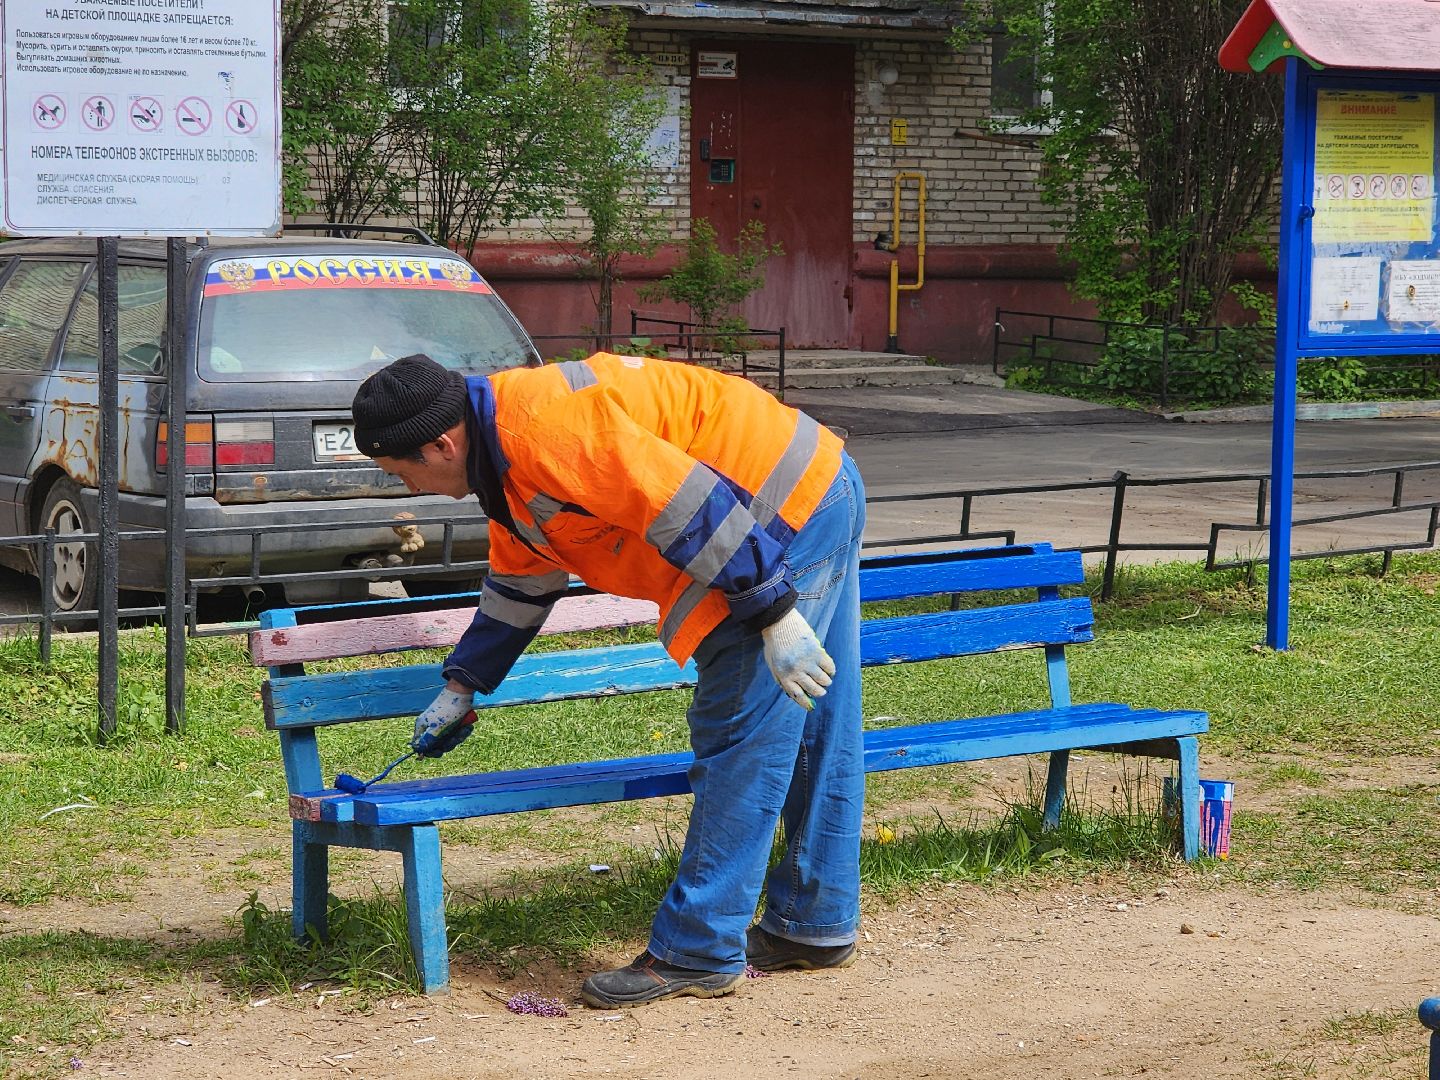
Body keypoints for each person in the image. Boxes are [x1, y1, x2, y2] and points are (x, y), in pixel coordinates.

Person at [351, 351, 866, 1009]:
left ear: (441, 445)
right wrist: (464, 683)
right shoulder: (499, 453)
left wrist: (771, 607)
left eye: (402, 473)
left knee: (742, 735)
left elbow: (684, 503)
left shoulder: (542, 428)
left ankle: (699, 950)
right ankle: (813, 924)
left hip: (772, 514)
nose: (407, 489)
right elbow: (524, 577)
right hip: (805, 489)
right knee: (813, 720)